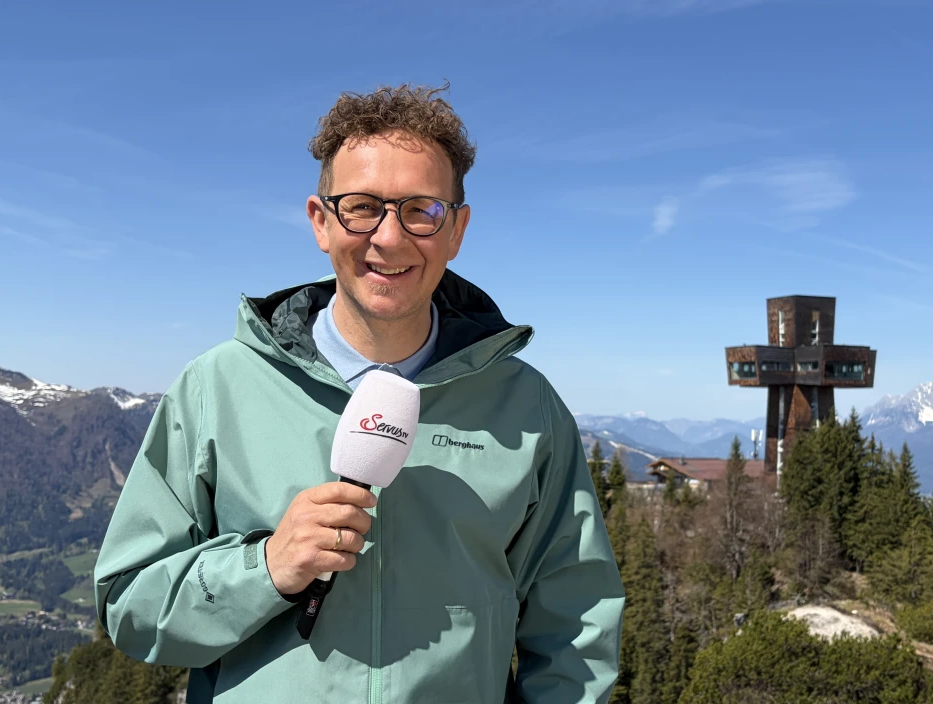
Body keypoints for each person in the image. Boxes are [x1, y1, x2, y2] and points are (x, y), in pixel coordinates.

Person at [93, 84, 625, 704]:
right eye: (363, 207)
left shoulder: (526, 407)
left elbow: (575, 626)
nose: (390, 238)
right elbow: (130, 608)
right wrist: (264, 569)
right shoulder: (215, 389)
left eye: (421, 209)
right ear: (322, 222)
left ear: (456, 230)